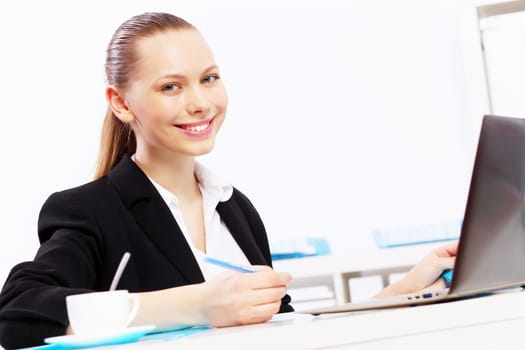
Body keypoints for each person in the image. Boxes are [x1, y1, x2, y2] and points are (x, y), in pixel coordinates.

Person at [0, 12, 457, 349]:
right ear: (121, 104)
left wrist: (412, 288)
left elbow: (287, 329)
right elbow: (17, 313)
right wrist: (198, 304)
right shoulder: (91, 210)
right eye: (171, 87)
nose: (200, 103)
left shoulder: (234, 208)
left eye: (209, 78)